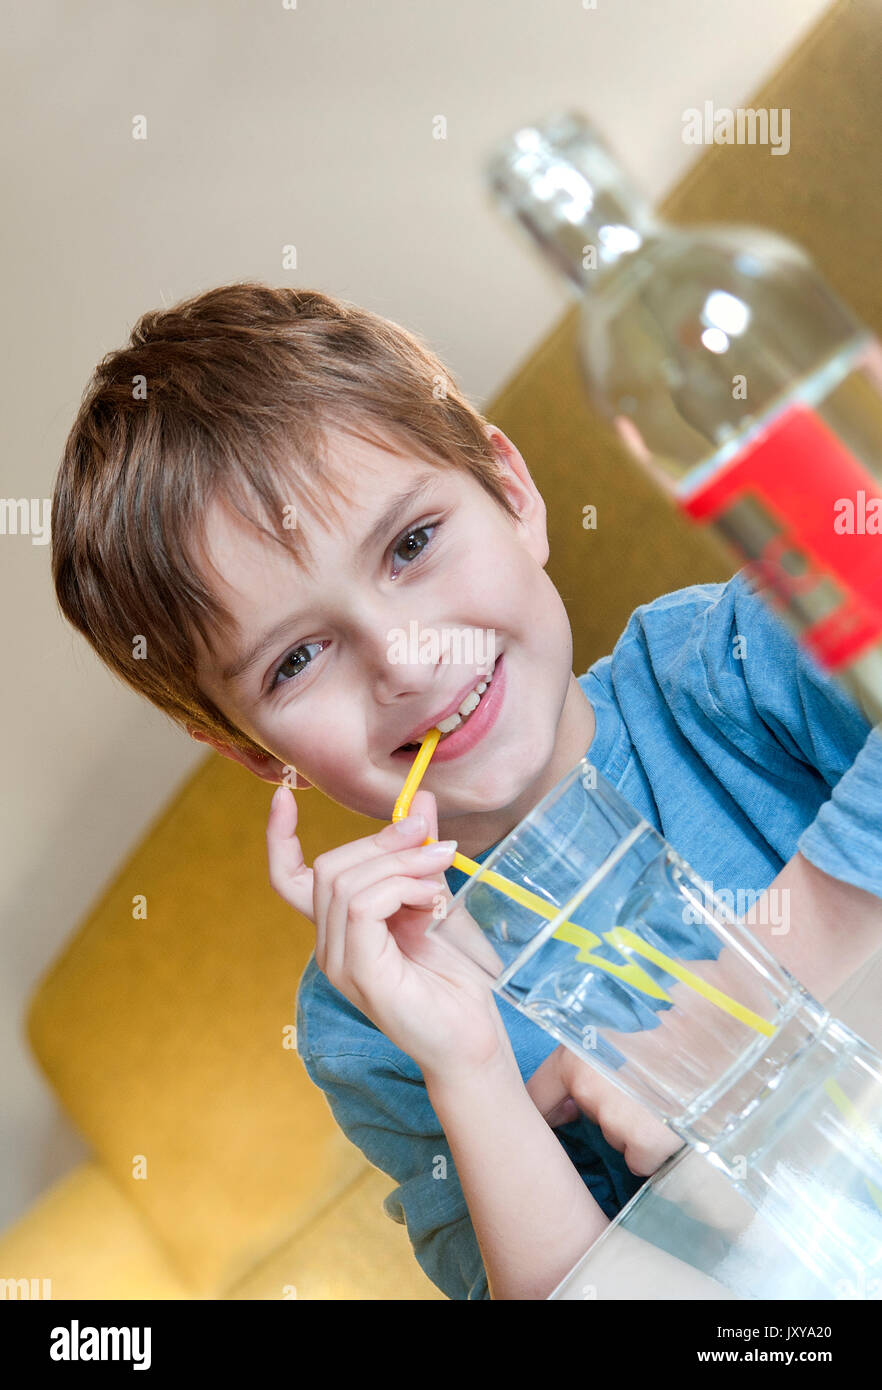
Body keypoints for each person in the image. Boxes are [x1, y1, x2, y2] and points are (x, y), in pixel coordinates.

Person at [51, 282, 882, 1300]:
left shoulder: (727, 662)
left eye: (411, 544)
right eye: (299, 657)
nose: (405, 658)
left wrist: (743, 1003)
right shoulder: (371, 1018)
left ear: (512, 492)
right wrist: (472, 1071)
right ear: (247, 747)